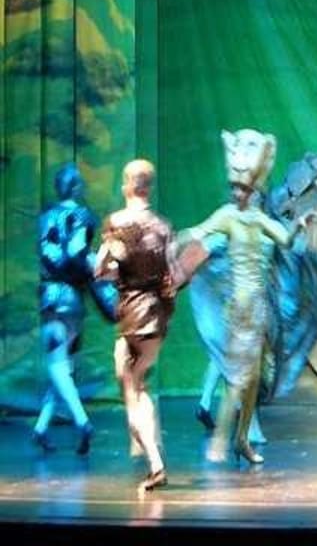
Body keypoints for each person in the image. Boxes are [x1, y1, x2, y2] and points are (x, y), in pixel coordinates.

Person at [182, 129, 314, 466]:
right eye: (235, 188)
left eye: (243, 189)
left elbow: (286, 241)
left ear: (254, 192)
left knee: (253, 378)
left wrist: (299, 225)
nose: (237, 193)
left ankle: (242, 438)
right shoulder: (227, 216)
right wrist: (171, 242)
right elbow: (198, 233)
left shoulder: (260, 220)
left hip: (261, 310)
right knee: (238, 375)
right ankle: (222, 437)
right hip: (238, 310)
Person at [95, 159, 181, 492]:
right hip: (156, 315)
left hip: (133, 313)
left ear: (128, 185)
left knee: (131, 388)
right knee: (132, 376)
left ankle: (153, 459)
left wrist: (111, 268)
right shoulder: (163, 226)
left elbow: (101, 269)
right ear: (149, 187)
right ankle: (145, 438)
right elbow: (173, 275)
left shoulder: (117, 223)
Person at [33, 163, 116, 454]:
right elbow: (77, 253)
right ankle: (41, 427)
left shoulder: (45, 217)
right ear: (77, 187)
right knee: (62, 365)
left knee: (57, 364)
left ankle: (81, 421)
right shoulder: (82, 216)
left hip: (51, 298)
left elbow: (58, 254)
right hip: (72, 299)